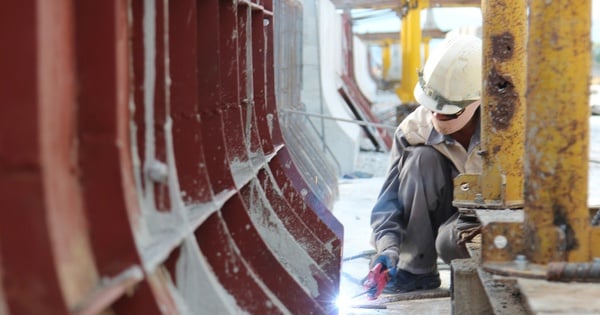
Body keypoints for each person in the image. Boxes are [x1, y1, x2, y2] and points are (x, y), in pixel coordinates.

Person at [369, 34, 483, 293]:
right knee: (421, 159)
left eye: (449, 110)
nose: (438, 116)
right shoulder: (413, 129)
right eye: (433, 108)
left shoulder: (510, 128)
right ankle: (416, 271)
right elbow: (389, 201)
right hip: (451, 215)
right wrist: (387, 248)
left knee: (450, 242)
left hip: (499, 221)